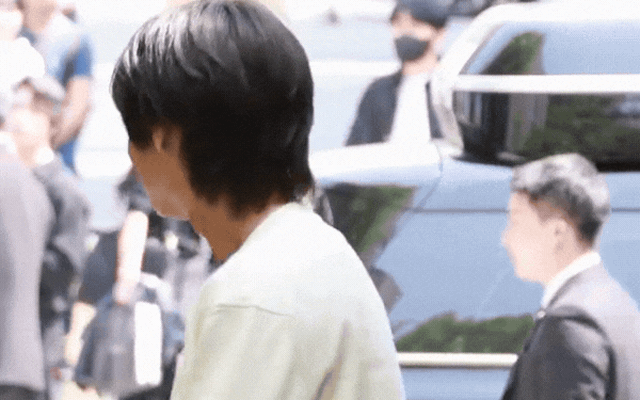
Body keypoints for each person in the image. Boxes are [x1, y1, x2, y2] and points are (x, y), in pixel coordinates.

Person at [110, 1, 405, 399]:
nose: (132, 154)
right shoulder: (312, 250)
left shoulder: (250, 296)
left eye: (134, 130)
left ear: (164, 138)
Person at [500, 153, 640, 400]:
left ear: (557, 233)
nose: (506, 239)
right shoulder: (620, 306)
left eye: (516, 221)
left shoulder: (569, 325)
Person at [6, 74, 92, 400]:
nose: (16, 117)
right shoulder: (13, 181)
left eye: (28, 108)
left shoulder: (63, 191)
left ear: (49, 119)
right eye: (15, 106)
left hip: (39, 336)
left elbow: (64, 269)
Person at [345, 0, 447, 146]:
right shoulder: (378, 91)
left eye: (415, 25)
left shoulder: (450, 89)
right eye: (399, 25)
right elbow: (356, 148)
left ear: (439, 33)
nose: (405, 33)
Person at [18, 0, 93, 171]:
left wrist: (42, 145)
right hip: (13, 162)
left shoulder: (74, 38)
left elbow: (78, 107)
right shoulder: (10, 31)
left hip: (57, 162)